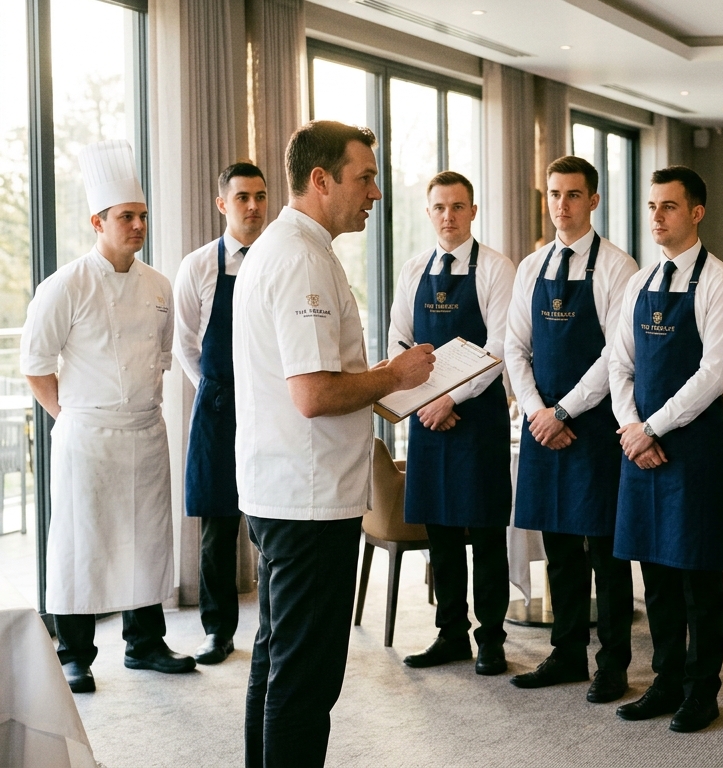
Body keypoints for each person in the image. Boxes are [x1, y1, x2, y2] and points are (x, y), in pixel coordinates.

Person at [234, 120, 435, 767]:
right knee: (306, 680)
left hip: (286, 488)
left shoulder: (289, 247)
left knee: (277, 658)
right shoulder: (302, 259)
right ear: (321, 180)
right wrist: (394, 377)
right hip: (308, 500)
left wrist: (381, 388)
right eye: (366, 177)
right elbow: (314, 394)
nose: (376, 192)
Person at [22, 139, 196, 694]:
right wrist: (69, 415)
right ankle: (74, 653)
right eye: (127, 217)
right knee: (81, 544)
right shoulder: (64, 287)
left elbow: (163, 360)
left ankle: (144, 643)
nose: (138, 225)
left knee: (147, 540)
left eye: (142, 216)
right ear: (98, 221)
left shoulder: (159, 287)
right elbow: (35, 365)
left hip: (145, 432)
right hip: (88, 436)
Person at [608, 166, 723, 733]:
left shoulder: (721, 282)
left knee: (696, 577)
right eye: (652, 206)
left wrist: (653, 429)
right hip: (641, 446)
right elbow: (619, 362)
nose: (658, 217)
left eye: (669, 206)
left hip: (693, 451)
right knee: (654, 574)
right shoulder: (639, 283)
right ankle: (664, 681)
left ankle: (701, 691)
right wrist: (630, 428)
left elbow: (715, 373)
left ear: (696, 213)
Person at [507, 155, 638, 701]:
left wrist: (564, 412)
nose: (562, 205)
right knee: (557, 546)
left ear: (594, 201)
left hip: (594, 427)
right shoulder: (531, 267)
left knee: (605, 552)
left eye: (574, 195)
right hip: (542, 425)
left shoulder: (617, 266)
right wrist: (538, 411)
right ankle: (565, 655)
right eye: (555, 195)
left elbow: (616, 354)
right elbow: (514, 346)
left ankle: (613, 663)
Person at [388, 170, 515, 674]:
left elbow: (500, 348)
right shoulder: (414, 268)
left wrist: (450, 396)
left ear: (473, 212)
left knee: (484, 536)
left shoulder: (496, 269)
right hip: (426, 417)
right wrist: (423, 400)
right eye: (439, 207)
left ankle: (492, 640)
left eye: (458, 206)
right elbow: (400, 339)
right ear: (428, 213)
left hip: (477, 418)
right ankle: (451, 634)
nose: (448, 216)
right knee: (440, 535)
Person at [173, 161, 269, 666]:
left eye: (260, 196)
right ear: (222, 205)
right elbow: (186, 342)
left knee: (269, 521)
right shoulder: (198, 266)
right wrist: (214, 389)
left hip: (271, 406)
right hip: (217, 409)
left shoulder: (278, 259)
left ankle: (272, 630)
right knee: (217, 528)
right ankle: (217, 630)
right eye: (242, 198)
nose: (253, 206)